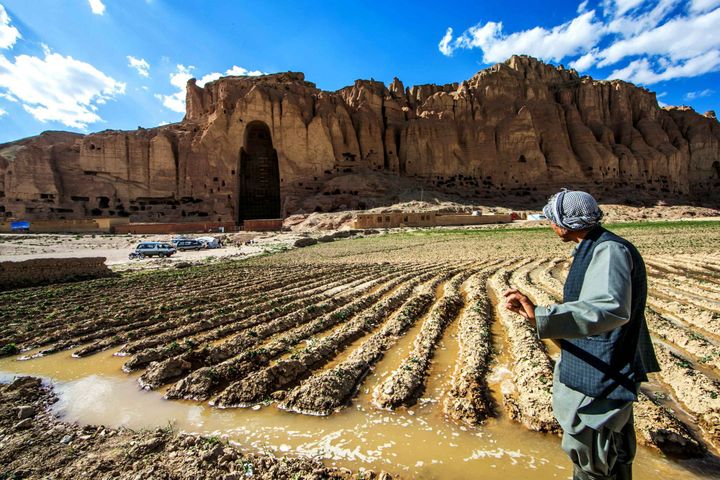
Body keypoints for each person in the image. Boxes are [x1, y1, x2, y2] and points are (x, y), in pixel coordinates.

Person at [503, 189, 660, 480]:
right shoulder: (594, 246)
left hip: (604, 370)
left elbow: (610, 308)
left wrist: (540, 316)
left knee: (595, 455)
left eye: (552, 219)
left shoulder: (608, 250)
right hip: (599, 362)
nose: (550, 225)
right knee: (611, 453)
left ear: (565, 222)